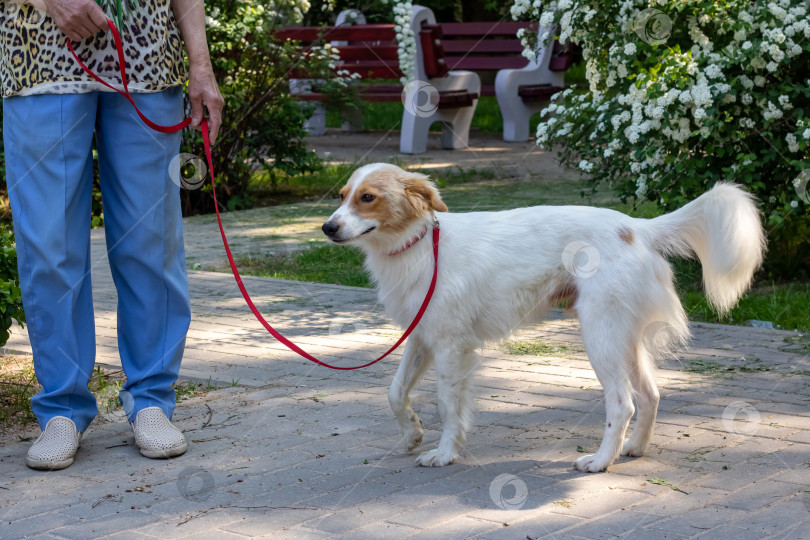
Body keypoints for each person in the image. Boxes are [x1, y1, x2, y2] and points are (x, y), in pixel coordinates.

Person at [1, 0, 224, 469]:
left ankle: (151, 401)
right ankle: (61, 408)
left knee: (151, 245)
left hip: (146, 60)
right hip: (41, 59)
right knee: (48, 246)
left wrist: (201, 67)